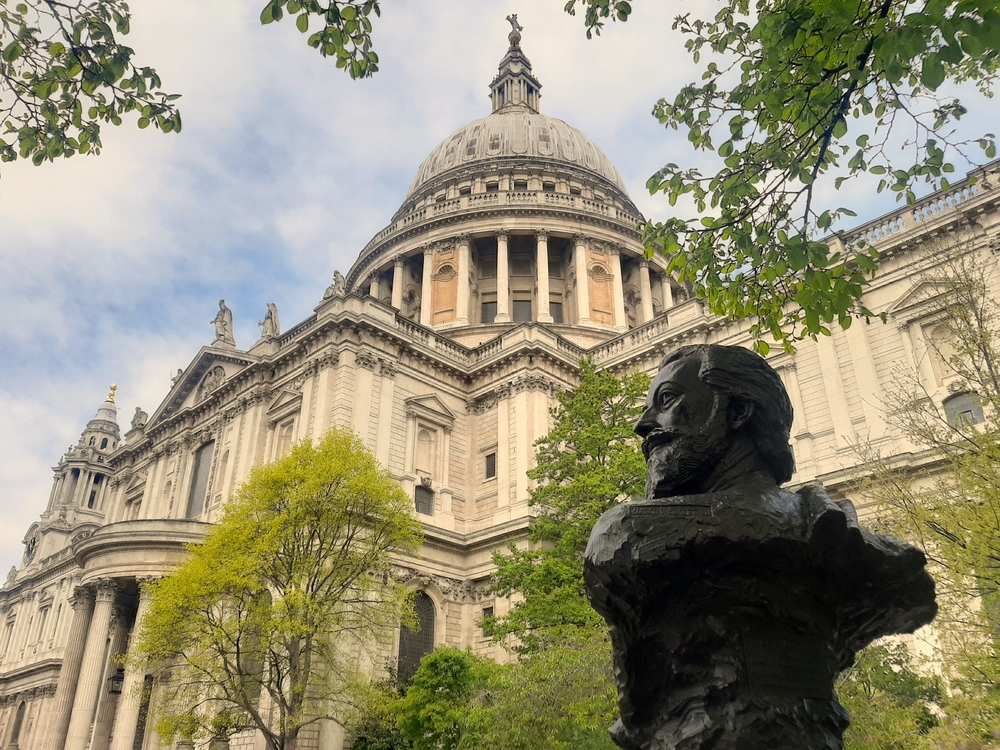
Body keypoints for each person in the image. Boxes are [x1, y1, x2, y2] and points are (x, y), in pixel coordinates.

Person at [584, 344, 936, 750]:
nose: (644, 425)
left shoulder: (627, 532)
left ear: (737, 412)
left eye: (666, 400)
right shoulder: (843, 542)